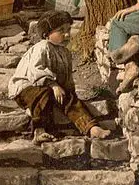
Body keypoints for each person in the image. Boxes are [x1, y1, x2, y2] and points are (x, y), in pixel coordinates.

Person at [8, 11, 112, 143]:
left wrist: (69, 93)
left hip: (51, 88)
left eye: (68, 29)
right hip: (27, 88)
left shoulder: (65, 52)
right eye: (61, 31)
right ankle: (39, 130)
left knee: (70, 99)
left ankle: (91, 128)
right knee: (43, 94)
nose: (67, 34)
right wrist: (53, 85)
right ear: (47, 34)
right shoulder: (42, 47)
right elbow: (35, 71)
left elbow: (66, 78)